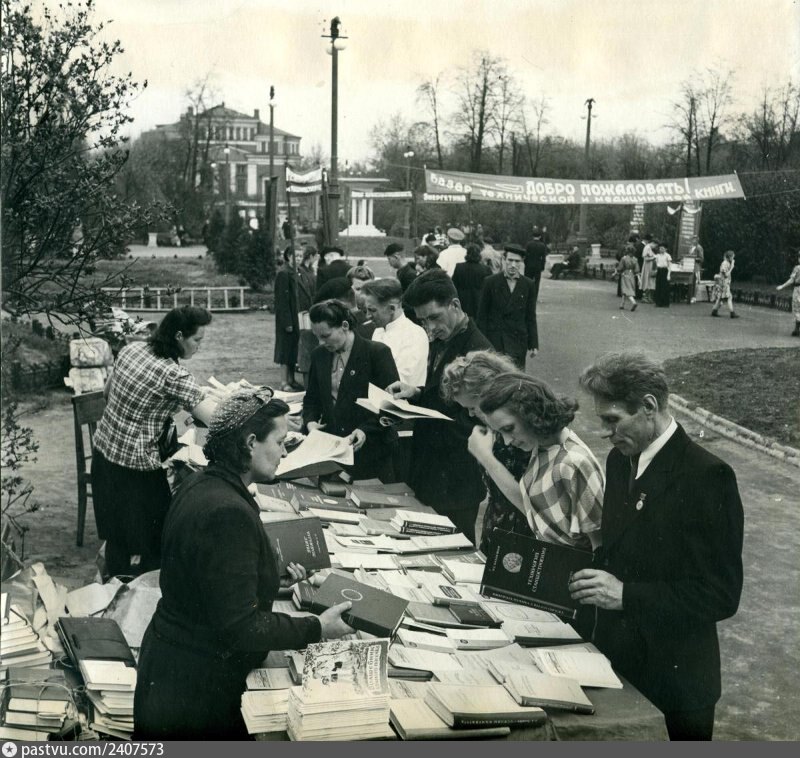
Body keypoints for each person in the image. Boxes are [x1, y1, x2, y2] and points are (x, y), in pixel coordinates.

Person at [134, 391, 354, 739]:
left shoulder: (202, 482)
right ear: (251, 443)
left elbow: (208, 581)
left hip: (173, 669)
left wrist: (267, 578)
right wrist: (317, 627)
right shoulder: (228, 512)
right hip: (196, 693)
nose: (285, 453)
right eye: (280, 442)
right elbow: (240, 627)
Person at [573, 353, 744, 740]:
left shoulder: (707, 476)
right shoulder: (620, 460)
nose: (604, 432)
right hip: (619, 665)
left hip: (676, 685)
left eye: (612, 419)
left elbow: (720, 595)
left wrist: (626, 596)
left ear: (648, 406)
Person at [91, 306, 217, 579]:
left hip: (103, 458)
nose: (199, 347)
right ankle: (146, 594)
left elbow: (107, 394)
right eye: (197, 340)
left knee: (116, 539)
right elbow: (216, 420)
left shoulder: (131, 349)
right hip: (136, 471)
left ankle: (113, 591)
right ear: (179, 336)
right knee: (159, 541)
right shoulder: (174, 374)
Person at [388, 270, 491, 542]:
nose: (429, 328)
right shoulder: (446, 337)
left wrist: (429, 417)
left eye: (434, 317)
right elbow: (443, 395)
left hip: (455, 482)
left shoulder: (479, 353)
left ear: (455, 305)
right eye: (423, 321)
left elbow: (482, 425)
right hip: (430, 473)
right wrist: (416, 393)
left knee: (456, 550)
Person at [475, 373, 604, 552]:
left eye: (509, 428)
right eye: (499, 432)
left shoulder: (572, 463)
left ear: (531, 414)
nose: (507, 441)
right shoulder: (542, 447)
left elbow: (600, 544)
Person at [440, 351, 533, 553]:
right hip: (497, 530)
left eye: (473, 407)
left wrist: (485, 457)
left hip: (526, 539)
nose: (471, 414)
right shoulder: (496, 427)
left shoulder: (522, 430)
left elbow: (532, 506)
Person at [303, 300, 400, 481]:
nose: (321, 342)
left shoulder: (377, 353)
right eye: (317, 336)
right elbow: (311, 400)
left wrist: (365, 430)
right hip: (333, 453)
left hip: (373, 454)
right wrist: (310, 423)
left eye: (326, 335)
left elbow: (392, 407)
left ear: (345, 326)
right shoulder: (319, 355)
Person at [476, 244, 539, 369]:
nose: (513, 265)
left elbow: (530, 316)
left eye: (517, 261)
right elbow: (482, 315)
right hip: (495, 340)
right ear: (504, 260)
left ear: (522, 262)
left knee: (516, 376)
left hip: (518, 340)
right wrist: (480, 343)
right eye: (510, 260)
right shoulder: (490, 282)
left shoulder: (528, 285)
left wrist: (533, 343)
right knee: (495, 375)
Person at [361, 278, 428, 387]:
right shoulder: (378, 331)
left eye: (372, 310)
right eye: (366, 310)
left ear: (392, 308)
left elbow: (402, 382)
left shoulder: (415, 334)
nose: (367, 316)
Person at [273, 247, 302, 391]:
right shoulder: (284, 273)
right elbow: (282, 300)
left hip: (296, 317)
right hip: (287, 318)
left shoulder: (297, 272)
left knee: (293, 349)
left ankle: (292, 379)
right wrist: (287, 322)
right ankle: (284, 382)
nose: (299, 258)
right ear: (289, 256)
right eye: (296, 255)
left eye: (301, 256)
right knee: (285, 350)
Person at [296, 245, 319, 388]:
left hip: (310, 309)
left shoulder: (310, 270)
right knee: (306, 341)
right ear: (311, 256)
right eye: (315, 256)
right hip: (304, 311)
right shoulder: (302, 271)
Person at [451, 243, 491, 318]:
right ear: (479, 255)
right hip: (479, 301)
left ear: (467, 254)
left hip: (463, 300)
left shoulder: (459, 267)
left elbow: (454, 285)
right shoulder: (485, 269)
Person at [776, 249, 800, 336]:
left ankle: (797, 329)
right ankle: (796, 329)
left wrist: (782, 286)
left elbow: (791, 280)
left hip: (798, 289)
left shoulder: (797, 268)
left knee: (797, 308)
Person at [711, 250, 740, 318]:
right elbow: (726, 274)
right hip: (724, 283)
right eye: (732, 257)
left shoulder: (726, 263)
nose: (733, 259)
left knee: (720, 298)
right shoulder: (725, 263)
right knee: (729, 297)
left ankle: (714, 311)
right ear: (730, 257)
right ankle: (732, 313)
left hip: (722, 283)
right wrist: (732, 267)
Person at [524, 228, 548, 302]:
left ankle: (527, 296)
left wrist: (526, 263)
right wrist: (542, 267)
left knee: (527, 281)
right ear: (540, 236)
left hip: (529, 266)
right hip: (537, 266)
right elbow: (543, 258)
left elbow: (525, 255)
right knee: (536, 283)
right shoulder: (542, 245)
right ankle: (534, 298)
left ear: (533, 236)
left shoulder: (528, 244)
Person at [614, 244, 640, 311]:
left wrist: (616, 271)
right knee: (627, 289)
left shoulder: (624, 258)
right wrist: (639, 278)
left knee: (626, 289)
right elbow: (637, 270)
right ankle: (622, 304)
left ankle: (633, 302)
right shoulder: (635, 259)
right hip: (632, 275)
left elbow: (620, 267)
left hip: (625, 274)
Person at [640, 235, 657, 303]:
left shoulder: (650, 248)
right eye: (655, 245)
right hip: (647, 267)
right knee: (647, 281)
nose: (655, 247)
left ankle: (648, 297)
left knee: (650, 282)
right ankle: (645, 297)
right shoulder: (647, 247)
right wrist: (654, 257)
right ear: (653, 243)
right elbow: (645, 258)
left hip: (651, 267)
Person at [688, 235, 704, 303]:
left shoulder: (699, 247)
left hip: (696, 266)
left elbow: (701, 258)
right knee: (690, 281)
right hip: (690, 266)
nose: (692, 240)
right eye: (692, 239)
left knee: (695, 281)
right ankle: (689, 296)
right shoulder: (691, 247)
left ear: (697, 240)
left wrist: (694, 259)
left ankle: (694, 297)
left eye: (694, 239)